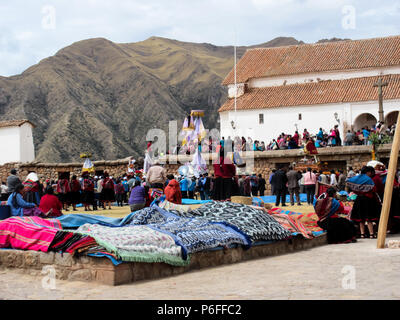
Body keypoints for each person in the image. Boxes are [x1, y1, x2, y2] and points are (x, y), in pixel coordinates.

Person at [347, 166, 381, 238]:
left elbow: (349, 184)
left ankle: (362, 234)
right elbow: (373, 189)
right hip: (368, 200)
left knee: (361, 218)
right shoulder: (368, 179)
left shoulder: (356, 178)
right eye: (370, 172)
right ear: (367, 172)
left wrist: (358, 191)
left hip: (359, 199)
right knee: (369, 218)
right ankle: (371, 234)